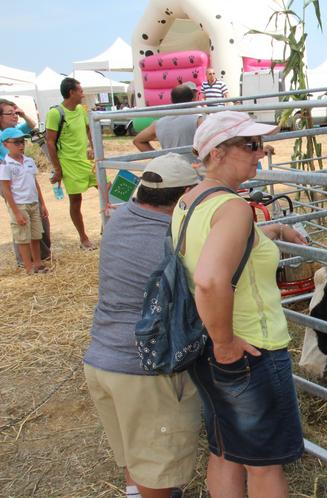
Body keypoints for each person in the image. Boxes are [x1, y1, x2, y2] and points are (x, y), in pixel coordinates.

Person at [179, 111, 305, 497]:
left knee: (225, 452)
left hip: (208, 345)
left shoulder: (190, 201)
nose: (260, 153)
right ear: (217, 152)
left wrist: (275, 229)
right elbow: (210, 279)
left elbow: (221, 246)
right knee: (264, 467)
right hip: (248, 350)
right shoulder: (233, 208)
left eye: (260, 145)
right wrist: (227, 343)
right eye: (250, 145)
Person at [84, 153, 202, 498]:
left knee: (135, 455)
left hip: (101, 360)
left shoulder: (119, 220)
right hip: (143, 371)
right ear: (182, 197)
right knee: (155, 466)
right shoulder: (172, 237)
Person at [46, 77, 98, 250]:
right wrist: (57, 169)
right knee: (76, 200)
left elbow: (89, 130)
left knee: (108, 189)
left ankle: (108, 227)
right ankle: (83, 238)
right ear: (71, 93)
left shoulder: (81, 110)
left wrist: (93, 148)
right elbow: (50, 142)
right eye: (81, 91)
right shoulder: (55, 113)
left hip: (86, 161)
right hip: (69, 163)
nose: (83, 94)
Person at [0, 98, 52, 263]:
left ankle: (41, 256)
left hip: (24, 176)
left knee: (37, 215)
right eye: (10, 113)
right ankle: (25, 261)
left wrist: (22, 113)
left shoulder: (16, 131)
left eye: (15, 113)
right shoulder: (4, 137)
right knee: (20, 218)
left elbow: (31, 125)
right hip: (9, 179)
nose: (14, 116)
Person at [133, 83, 203, 163]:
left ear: (171, 100)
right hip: (193, 171)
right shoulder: (198, 120)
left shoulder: (159, 123)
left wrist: (160, 160)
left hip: (169, 170)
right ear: (192, 99)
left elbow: (138, 141)